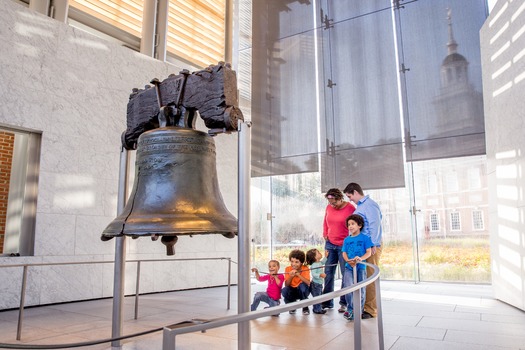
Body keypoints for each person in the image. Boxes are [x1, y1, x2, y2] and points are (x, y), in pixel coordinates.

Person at [343, 182, 383, 319]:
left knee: (370, 276)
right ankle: (359, 307)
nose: (350, 200)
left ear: (355, 192)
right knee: (362, 276)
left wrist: (373, 245)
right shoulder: (360, 206)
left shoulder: (369, 205)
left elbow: (374, 226)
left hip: (370, 246)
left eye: (350, 196)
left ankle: (371, 310)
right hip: (362, 246)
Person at [321, 188, 355, 312]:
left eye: (334, 202)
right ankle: (327, 302)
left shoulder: (350, 208)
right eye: (330, 202)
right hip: (330, 243)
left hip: (344, 245)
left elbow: (354, 224)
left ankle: (343, 302)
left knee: (345, 274)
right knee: (328, 274)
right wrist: (325, 233)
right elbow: (325, 221)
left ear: (340, 198)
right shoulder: (329, 207)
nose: (332, 204)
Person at [341, 214, 372, 321]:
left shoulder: (365, 238)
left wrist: (360, 258)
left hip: (361, 267)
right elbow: (344, 253)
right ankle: (351, 309)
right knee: (348, 287)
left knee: (361, 289)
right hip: (349, 267)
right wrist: (348, 261)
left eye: (353, 224)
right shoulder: (346, 240)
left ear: (359, 225)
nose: (350, 226)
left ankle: (359, 310)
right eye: (349, 224)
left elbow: (369, 252)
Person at [282, 249, 311, 315]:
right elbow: (286, 284)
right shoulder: (288, 269)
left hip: (303, 291)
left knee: (302, 286)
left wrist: (298, 274)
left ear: (301, 262)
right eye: (292, 261)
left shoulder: (305, 268)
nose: (293, 264)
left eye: (296, 262)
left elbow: (308, 282)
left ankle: (305, 306)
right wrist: (291, 276)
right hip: (293, 291)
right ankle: (292, 306)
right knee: (284, 290)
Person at [306, 248, 328, 314]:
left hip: (320, 283)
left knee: (319, 296)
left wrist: (326, 256)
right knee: (317, 297)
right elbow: (313, 274)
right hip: (316, 284)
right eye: (318, 253)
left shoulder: (319, 262)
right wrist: (320, 275)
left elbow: (323, 262)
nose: (319, 253)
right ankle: (317, 309)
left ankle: (318, 308)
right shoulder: (314, 265)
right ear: (314, 257)